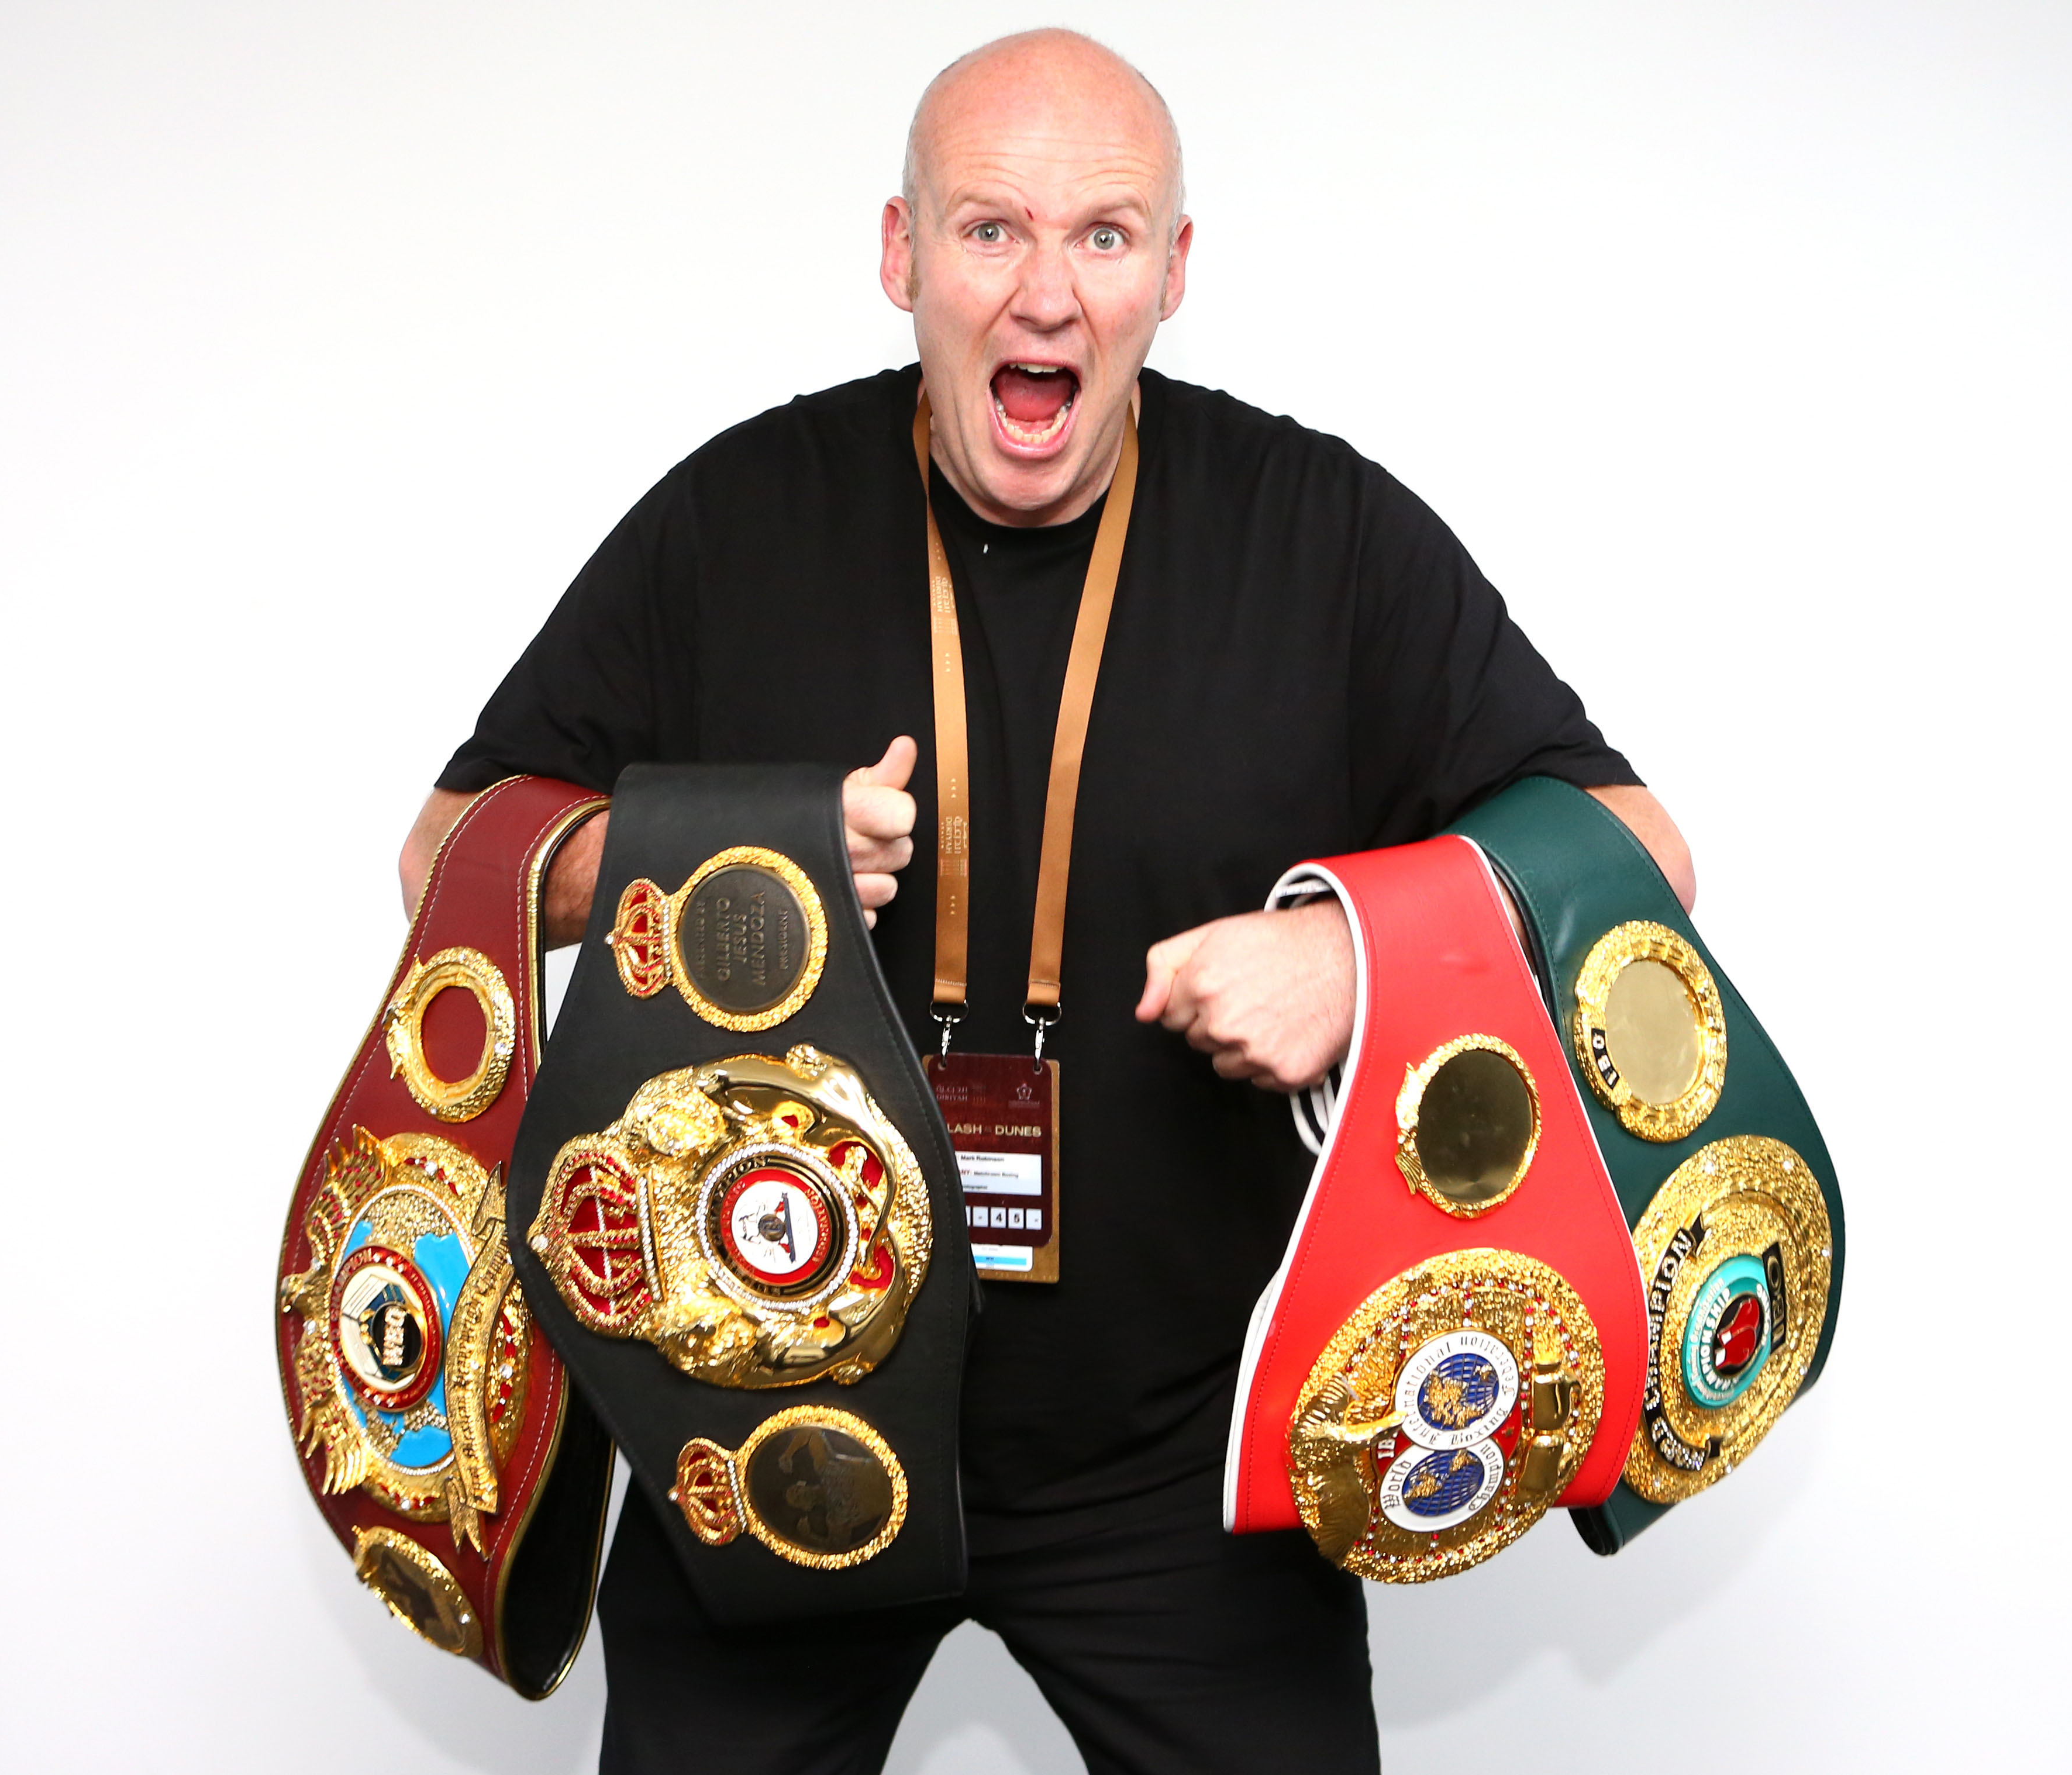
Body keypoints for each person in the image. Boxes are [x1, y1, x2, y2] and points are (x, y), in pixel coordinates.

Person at [401, 29, 1693, 1775]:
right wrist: (716, 863)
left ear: (1175, 269)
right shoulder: (734, 516)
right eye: (991, 227)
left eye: (1103, 234)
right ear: (900, 254)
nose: (1047, 292)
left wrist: (1362, 948)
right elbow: (450, 849)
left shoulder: (1323, 533)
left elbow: (1638, 845)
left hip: (1185, 1455)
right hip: (771, 1411)